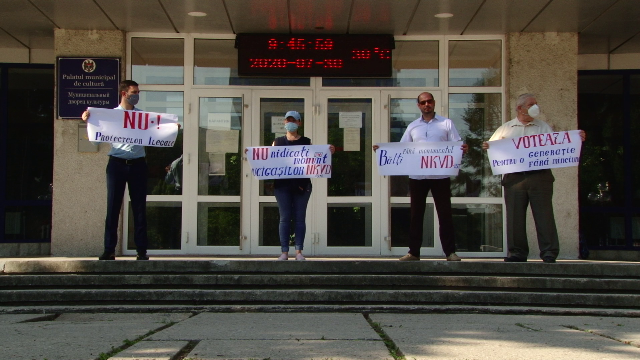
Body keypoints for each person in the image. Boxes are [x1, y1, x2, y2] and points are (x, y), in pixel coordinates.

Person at [482, 93, 586, 263]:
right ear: (519, 108)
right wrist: (488, 146)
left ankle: (549, 253)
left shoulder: (543, 127)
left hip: (540, 176)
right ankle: (517, 253)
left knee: (544, 215)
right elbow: (492, 149)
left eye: (536, 103)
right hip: (515, 178)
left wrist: (576, 139)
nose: (535, 107)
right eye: (531, 104)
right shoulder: (505, 129)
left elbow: (557, 145)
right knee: (515, 217)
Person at [82, 80, 178, 261]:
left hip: (138, 165)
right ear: (124, 93)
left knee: (139, 207)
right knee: (113, 207)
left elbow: (157, 131)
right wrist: (89, 121)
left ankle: (142, 250)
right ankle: (109, 249)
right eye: (134, 92)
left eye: (138, 92)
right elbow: (95, 140)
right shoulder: (111, 116)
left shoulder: (142, 117)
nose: (137, 95)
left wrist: (170, 129)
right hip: (117, 163)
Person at [374, 92, 468, 261]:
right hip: (417, 177)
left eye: (429, 101)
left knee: (445, 214)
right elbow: (402, 148)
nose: (426, 104)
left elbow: (456, 145)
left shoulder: (446, 123)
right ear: (418, 105)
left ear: (434, 103)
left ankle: (450, 252)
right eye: (423, 102)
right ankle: (414, 252)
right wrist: (382, 150)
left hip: (440, 176)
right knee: (416, 215)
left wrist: (462, 149)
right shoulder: (412, 126)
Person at [272, 111, 334, 260]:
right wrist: (251, 154)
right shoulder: (277, 142)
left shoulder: (306, 142)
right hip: (282, 186)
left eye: (293, 120)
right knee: (284, 218)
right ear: (284, 122)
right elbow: (267, 159)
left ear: (299, 123)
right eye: (288, 120)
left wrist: (328, 152)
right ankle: (284, 252)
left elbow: (316, 158)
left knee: (300, 218)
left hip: (302, 185)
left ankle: (299, 251)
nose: (290, 123)